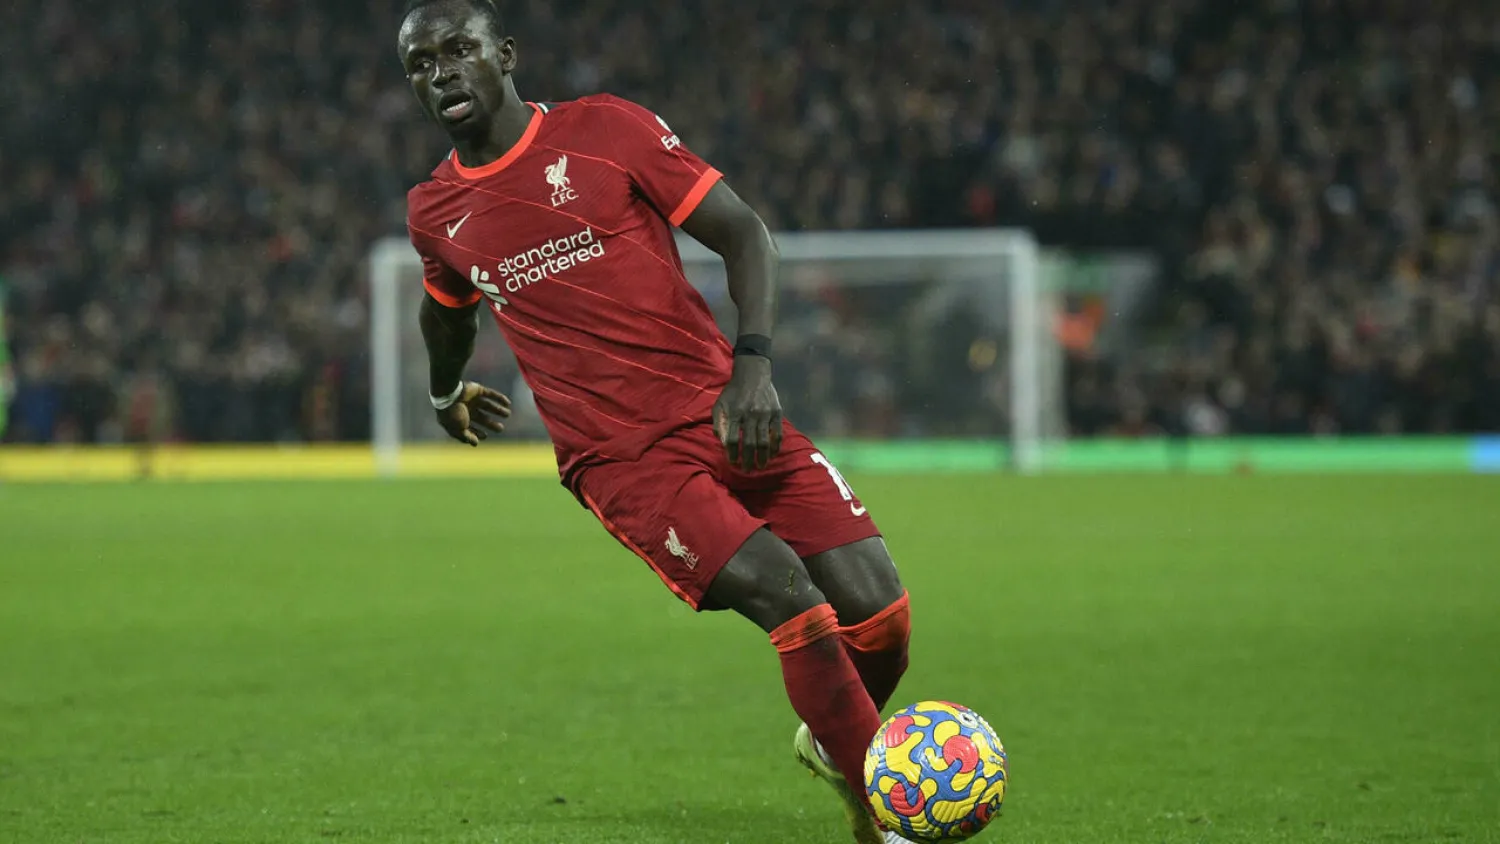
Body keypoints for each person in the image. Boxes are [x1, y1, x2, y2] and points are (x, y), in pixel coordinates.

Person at [398, 2, 914, 841]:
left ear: (507, 54)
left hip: (729, 410)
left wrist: (754, 369)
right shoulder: (436, 212)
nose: (442, 73)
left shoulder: (608, 131)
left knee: (881, 618)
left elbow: (745, 234)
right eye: (421, 65)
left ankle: (833, 743)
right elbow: (447, 313)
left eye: (459, 50)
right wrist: (442, 393)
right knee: (792, 597)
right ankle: (890, 816)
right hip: (625, 460)